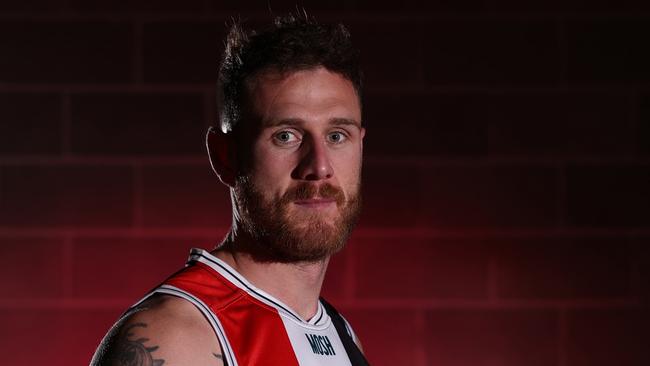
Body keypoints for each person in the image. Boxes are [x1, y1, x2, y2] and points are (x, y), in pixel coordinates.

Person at [91, 13, 369, 366]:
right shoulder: (178, 337)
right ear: (225, 157)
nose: (320, 166)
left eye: (336, 136)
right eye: (286, 136)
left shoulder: (341, 336)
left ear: (360, 145)